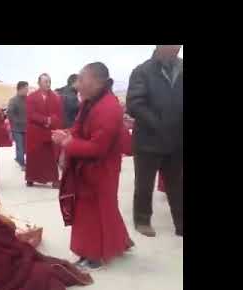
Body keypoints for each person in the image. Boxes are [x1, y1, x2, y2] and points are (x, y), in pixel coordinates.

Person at [53, 62, 133, 271]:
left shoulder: (108, 108)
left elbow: (98, 147)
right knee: (103, 207)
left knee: (95, 210)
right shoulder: (89, 103)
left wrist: (68, 143)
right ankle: (120, 241)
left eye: (81, 79)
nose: (77, 85)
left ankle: (94, 255)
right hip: (86, 167)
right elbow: (79, 129)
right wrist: (67, 136)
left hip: (101, 169)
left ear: (97, 82)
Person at [126, 45, 183, 237]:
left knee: (177, 184)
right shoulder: (143, 71)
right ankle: (142, 220)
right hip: (148, 141)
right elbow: (134, 103)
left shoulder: (182, 68)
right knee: (144, 183)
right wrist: (159, 123)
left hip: (176, 141)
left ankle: (181, 223)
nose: (177, 50)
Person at [25, 73, 63, 188]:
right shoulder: (31, 97)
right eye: (45, 81)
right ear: (39, 83)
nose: (48, 84)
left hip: (49, 131)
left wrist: (52, 121)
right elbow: (31, 114)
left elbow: (58, 113)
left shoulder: (56, 97)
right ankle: (31, 178)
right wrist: (45, 120)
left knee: (50, 157)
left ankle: (54, 179)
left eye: (49, 81)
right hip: (35, 131)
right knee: (34, 155)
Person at [7, 81, 28, 170]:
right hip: (17, 128)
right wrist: (16, 122)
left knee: (25, 146)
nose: (27, 90)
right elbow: (10, 113)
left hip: (27, 127)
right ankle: (22, 164)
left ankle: (19, 159)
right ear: (20, 89)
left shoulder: (29, 99)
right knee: (20, 146)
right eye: (26, 88)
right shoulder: (13, 100)